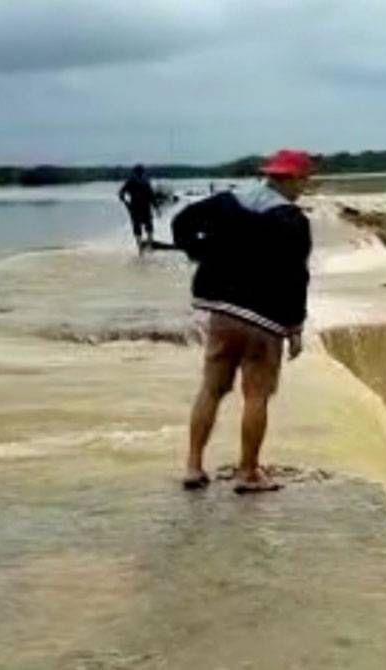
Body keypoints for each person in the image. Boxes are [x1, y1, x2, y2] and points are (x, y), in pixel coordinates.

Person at [172, 149, 314, 493]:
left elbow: (181, 223)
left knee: (211, 389)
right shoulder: (293, 221)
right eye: (303, 180)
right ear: (290, 179)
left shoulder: (225, 202)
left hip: (222, 312)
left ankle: (193, 466)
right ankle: (247, 472)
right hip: (264, 322)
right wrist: (295, 328)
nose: (305, 186)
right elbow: (297, 279)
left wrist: (199, 252)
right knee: (256, 396)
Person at [118, 164, 158, 252]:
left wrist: (126, 203)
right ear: (143, 172)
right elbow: (152, 196)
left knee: (138, 228)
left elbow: (121, 194)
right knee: (148, 227)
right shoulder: (146, 181)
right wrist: (156, 208)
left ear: (134, 172)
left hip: (135, 208)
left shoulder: (130, 181)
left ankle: (141, 248)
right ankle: (149, 245)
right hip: (144, 208)